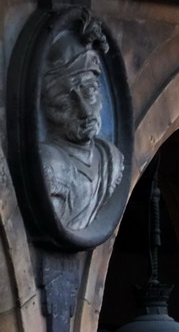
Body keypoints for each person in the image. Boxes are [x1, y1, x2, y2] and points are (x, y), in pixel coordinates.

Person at [38, 20, 124, 236]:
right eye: (65, 103)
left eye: (89, 92)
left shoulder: (111, 160)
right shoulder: (49, 164)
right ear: (46, 109)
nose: (85, 111)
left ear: (101, 95)